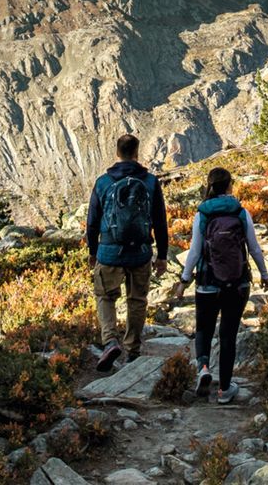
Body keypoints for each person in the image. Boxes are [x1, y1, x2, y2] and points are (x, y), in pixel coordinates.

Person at [178, 167, 268, 403]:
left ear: (208, 186)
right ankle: (225, 390)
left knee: (204, 329)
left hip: (207, 282)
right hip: (236, 283)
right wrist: (264, 274)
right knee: (228, 334)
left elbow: (195, 252)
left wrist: (184, 280)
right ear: (230, 185)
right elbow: (254, 248)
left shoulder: (202, 215)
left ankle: (204, 368)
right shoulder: (241, 213)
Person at [85, 134, 168, 373]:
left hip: (109, 250)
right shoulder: (151, 182)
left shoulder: (103, 182)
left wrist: (93, 250)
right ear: (137, 153)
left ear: (117, 153)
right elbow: (160, 222)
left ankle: (110, 340)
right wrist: (162, 255)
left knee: (105, 297)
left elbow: (92, 221)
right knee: (137, 300)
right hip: (140, 252)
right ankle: (132, 350)